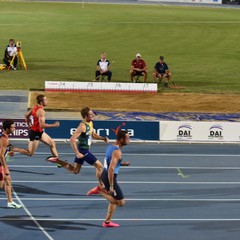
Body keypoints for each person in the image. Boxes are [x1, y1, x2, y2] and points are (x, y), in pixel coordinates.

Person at [46, 106, 109, 189]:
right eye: (90, 114)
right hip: (83, 150)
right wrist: (77, 153)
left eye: (92, 113)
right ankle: (101, 186)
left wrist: (103, 138)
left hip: (83, 150)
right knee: (99, 166)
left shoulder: (90, 123)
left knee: (75, 170)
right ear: (86, 116)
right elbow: (72, 139)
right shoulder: (82, 126)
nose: (93, 115)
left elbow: (93, 135)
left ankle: (58, 161)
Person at [87, 130, 130, 228]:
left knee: (113, 200)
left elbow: (110, 162)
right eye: (127, 138)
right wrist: (111, 186)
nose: (129, 140)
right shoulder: (117, 151)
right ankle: (99, 191)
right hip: (109, 177)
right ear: (121, 139)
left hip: (105, 174)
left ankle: (107, 222)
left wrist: (121, 164)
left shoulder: (111, 146)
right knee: (120, 202)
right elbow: (111, 169)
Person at [0, 120, 23, 208]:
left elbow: (3, 152)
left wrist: (8, 153)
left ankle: (10, 202)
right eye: (12, 127)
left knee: (8, 181)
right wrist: (5, 168)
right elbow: (1, 155)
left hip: (1, 163)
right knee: (1, 184)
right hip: (0, 163)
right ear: (7, 128)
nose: (14, 128)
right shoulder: (4, 139)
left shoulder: (5, 137)